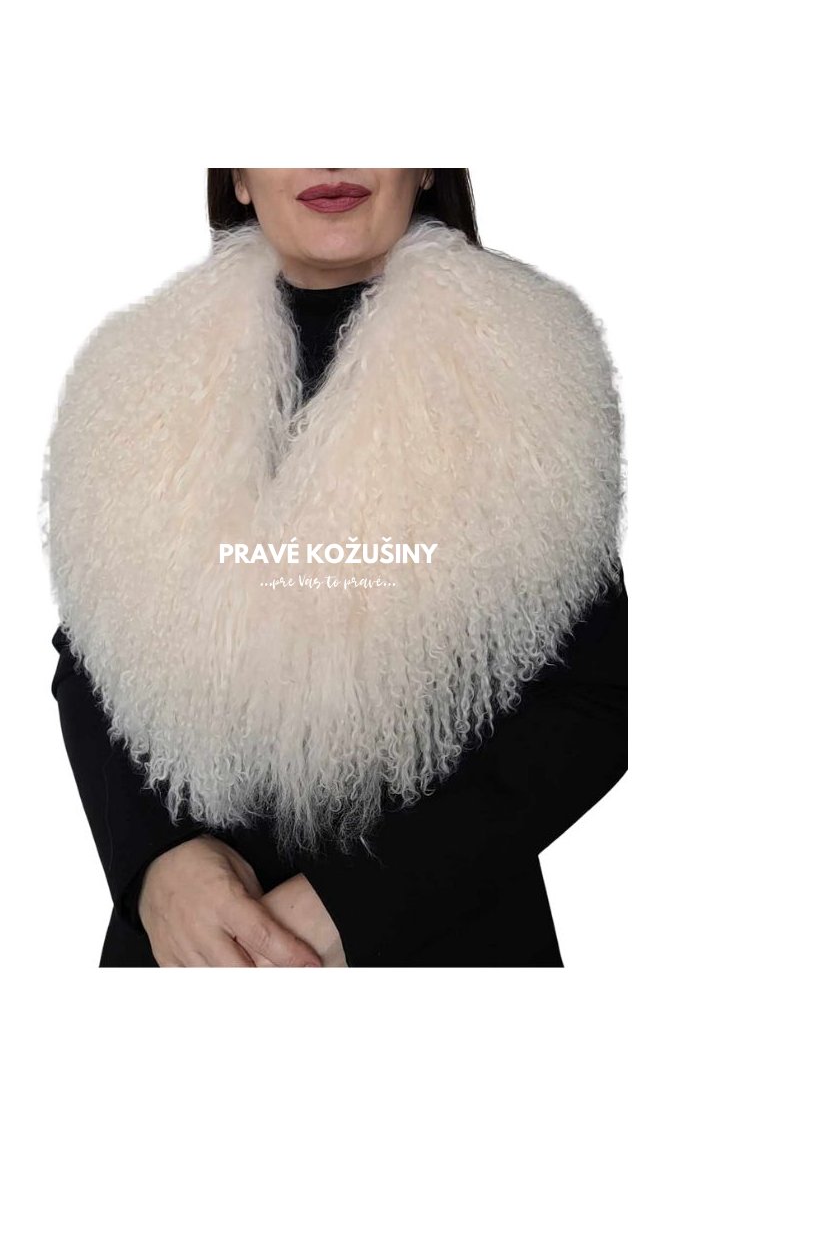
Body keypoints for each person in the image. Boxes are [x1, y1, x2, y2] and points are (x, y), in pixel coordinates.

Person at [44, 169, 627, 967]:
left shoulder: (526, 372)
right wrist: (155, 864)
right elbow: (93, 660)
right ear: (239, 177)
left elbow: (596, 698)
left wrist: (351, 905)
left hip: (438, 942)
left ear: (425, 164)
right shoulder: (136, 381)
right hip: (189, 950)